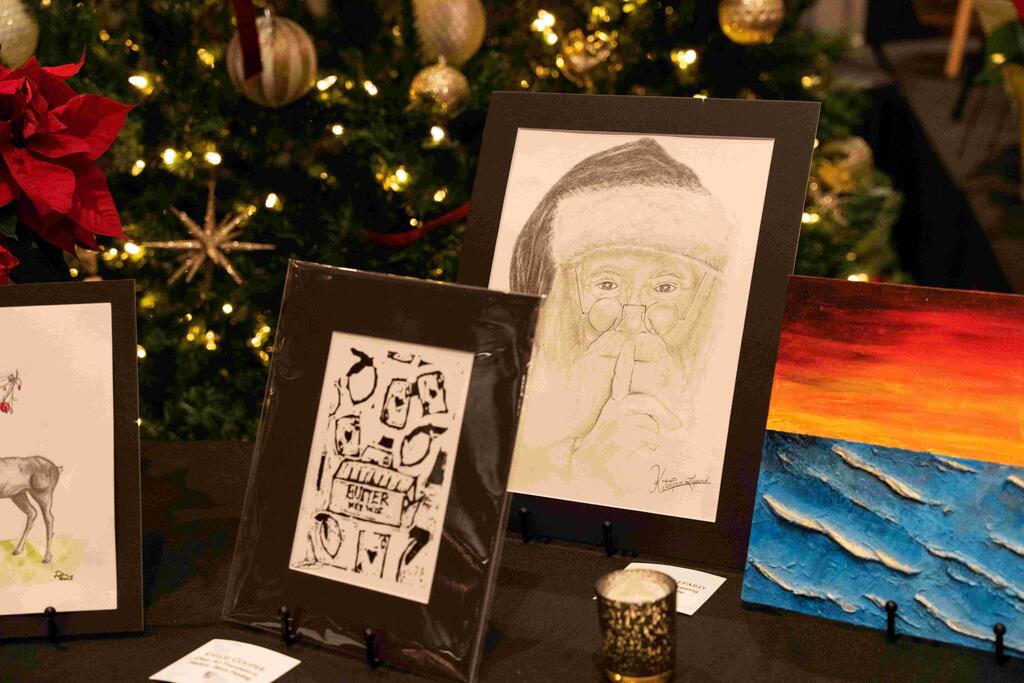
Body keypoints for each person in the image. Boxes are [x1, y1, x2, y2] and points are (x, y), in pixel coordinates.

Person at [507, 137, 738, 503]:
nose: (633, 318)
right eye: (607, 284)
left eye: (664, 287)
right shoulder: (523, 412)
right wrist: (578, 469)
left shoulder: (711, 431)